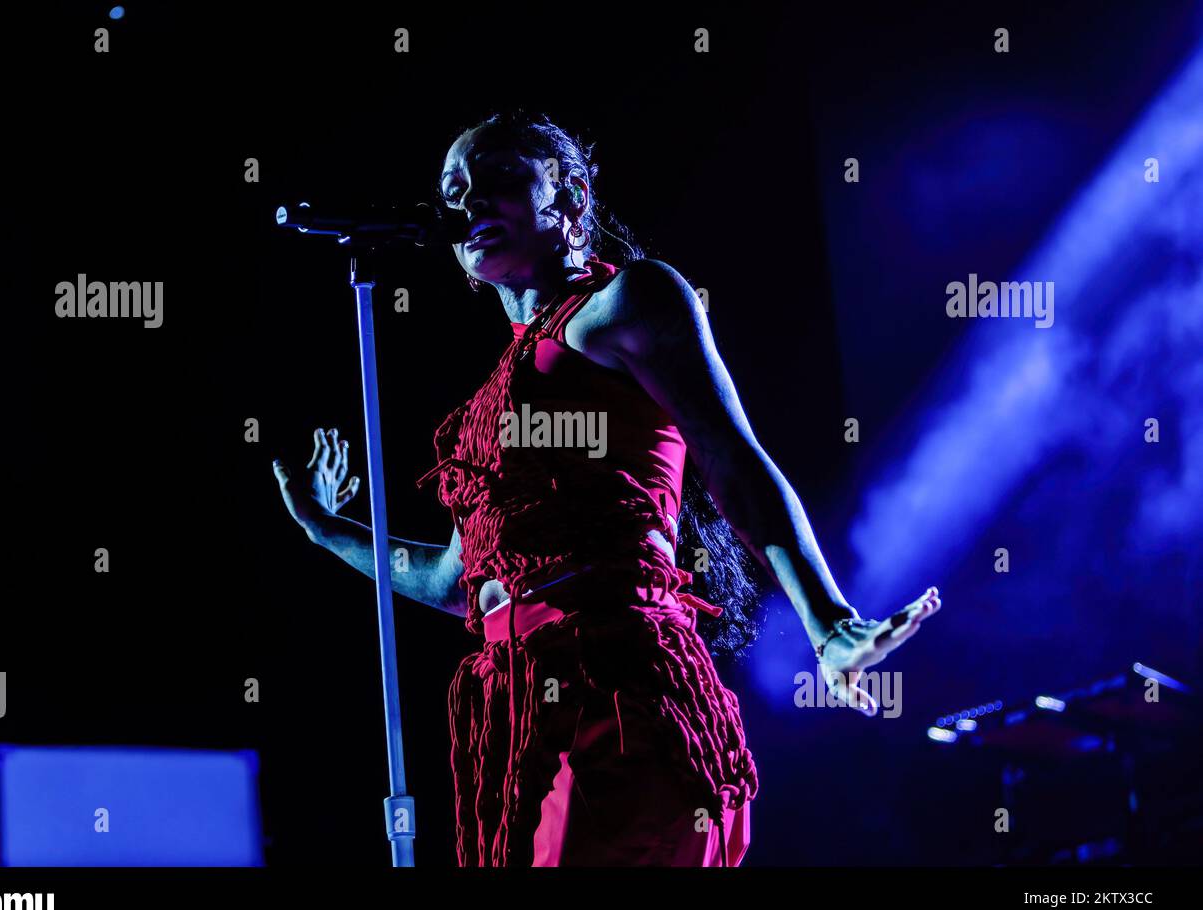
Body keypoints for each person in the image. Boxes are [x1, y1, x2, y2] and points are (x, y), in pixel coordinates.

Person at [272, 110, 941, 866]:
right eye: (454, 189)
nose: (467, 202)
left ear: (573, 199)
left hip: (615, 683)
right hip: (517, 711)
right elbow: (453, 583)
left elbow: (733, 460)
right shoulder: (490, 402)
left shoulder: (626, 303)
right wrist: (325, 527)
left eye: (497, 179)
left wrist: (828, 624)